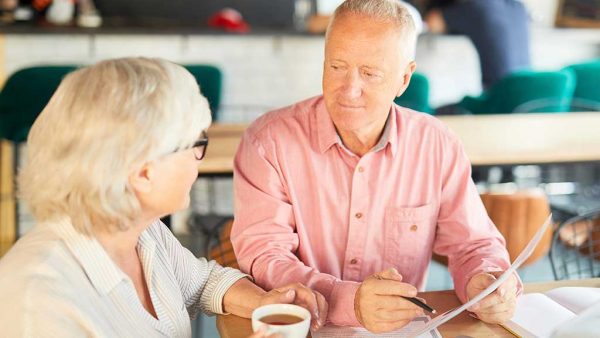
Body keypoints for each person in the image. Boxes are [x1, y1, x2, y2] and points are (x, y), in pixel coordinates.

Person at [232, 0, 520, 333]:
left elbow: (473, 244)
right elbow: (264, 255)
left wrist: (485, 281)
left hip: (400, 330)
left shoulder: (437, 144)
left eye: (370, 73)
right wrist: (348, 302)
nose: (349, 90)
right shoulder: (270, 141)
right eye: (337, 66)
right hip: (305, 328)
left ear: (404, 78)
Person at [0, 57, 327, 337]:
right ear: (142, 172)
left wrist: (261, 301)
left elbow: (202, 282)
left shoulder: (139, 229)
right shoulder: (39, 303)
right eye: (196, 144)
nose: (200, 158)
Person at [423, 0, 531, 89]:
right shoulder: (518, 7)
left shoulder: (474, 7)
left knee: (432, 112)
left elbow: (432, 22)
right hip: (529, 97)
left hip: (498, 101)